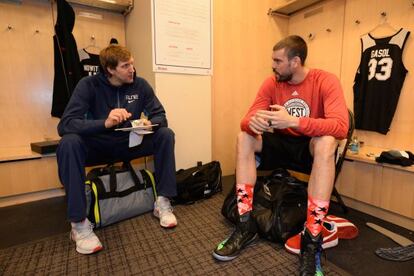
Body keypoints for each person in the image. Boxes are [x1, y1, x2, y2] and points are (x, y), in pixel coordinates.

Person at [212, 35, 349, 275]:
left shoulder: (325, 80)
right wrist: (252, 123)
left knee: (327, 143)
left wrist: (295, 121)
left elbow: (340, 127)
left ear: (295, 61)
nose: (273, 65)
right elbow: (247, 118)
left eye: (277, 60)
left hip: (309, 147)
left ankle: (312, 240)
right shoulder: (271, 83)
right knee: (243, 137)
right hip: (281, 145)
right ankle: (246, 225)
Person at [56, 44, 177, 255]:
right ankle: (78, 224)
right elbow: (65, 124)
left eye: (132, 63)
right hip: (99, 145)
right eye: (125, 66)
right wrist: (104, 123)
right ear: (110, 69)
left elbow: (161, 118)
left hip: (130, 143)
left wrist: (150, 124)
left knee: (166, 134)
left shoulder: (141, 85)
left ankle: (163, 202)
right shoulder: (88, 85)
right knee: (69, 143)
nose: (132, 69)